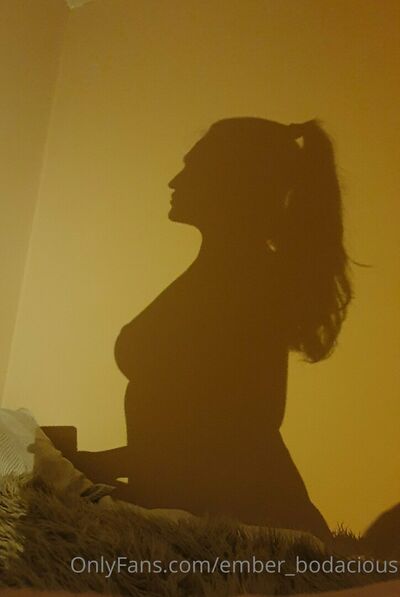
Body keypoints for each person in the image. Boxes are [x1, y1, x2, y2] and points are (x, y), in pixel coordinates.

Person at [75, 117, 352, 542]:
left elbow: (243, 432)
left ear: (229, 182)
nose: (174, 180)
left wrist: (103, 465)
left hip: (243, 527)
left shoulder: (250, 280)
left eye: (192, 168)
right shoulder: (224, 271)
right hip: (194, 513)